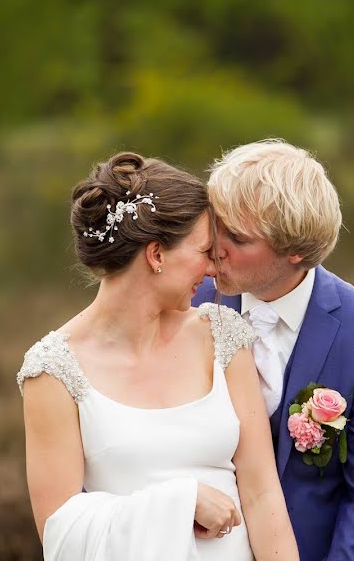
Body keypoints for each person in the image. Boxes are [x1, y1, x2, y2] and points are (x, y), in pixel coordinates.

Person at [17, 152, 299, 560]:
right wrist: (180, 501)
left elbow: (262, 494)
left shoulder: (223, 336)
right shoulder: (53, 371)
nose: (212, 269)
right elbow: (61, 535)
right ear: (156, 255)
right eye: (204, 251)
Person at [193, 139, 354, 561]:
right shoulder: (185, 300)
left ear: (295, 252)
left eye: (236, 237)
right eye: (215, 223)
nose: (214, 246)